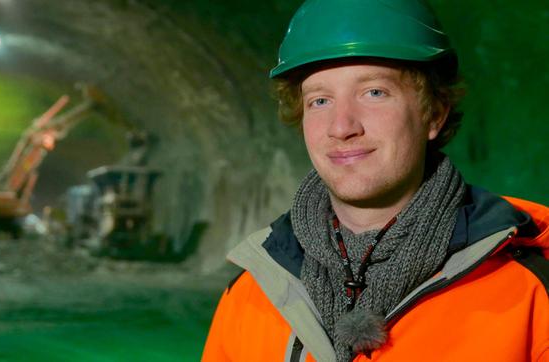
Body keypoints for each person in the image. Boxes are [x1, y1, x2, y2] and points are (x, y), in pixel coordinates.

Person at [202, 0, 549, 361]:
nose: (342, 127)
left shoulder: (529, 293)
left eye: (374, 93)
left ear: (434, 114)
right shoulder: (254, 293)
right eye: (320, 101)